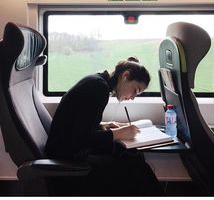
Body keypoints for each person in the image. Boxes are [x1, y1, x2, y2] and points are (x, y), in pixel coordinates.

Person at [45, 57, 162, 196]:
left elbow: (79, 124)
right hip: (68, 158)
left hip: (69, 149)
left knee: (134, 157)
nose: (132, 98)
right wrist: (119, 133)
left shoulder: (98, 81)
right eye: (135, 90)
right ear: (125, 76)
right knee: (136, 168)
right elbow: (82, 138)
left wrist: (104, 125)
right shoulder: (99, 88)